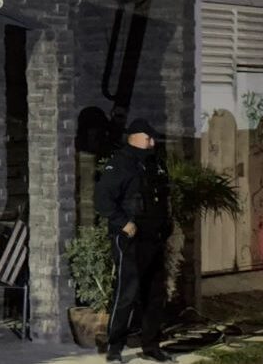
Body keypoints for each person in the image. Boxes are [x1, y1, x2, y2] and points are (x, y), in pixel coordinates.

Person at [94, 118, 174, 363]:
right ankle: (114, 349)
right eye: (148, 138)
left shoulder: (154, 163)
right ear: (134, 137)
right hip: (131, 239)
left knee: (155, 294)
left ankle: (151, 346)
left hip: (154, 238)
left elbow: (163, 196)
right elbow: (102, 199)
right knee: (126, 293)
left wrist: (167, 224)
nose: (152, 142)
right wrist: (123, 223)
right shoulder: (120, 163)